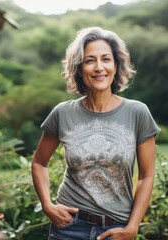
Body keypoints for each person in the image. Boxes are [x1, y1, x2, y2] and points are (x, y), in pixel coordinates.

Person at [31, 26, 160, 240]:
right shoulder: (63, 113)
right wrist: (47, 204)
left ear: (116, 65)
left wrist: (133, 227)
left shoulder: (138, 112)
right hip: (68, 227)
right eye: (90, 60)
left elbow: (146, 176)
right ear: (79, 68)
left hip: (116, 229)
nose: (99, 67)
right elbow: (38, 163)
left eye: (106, 59)